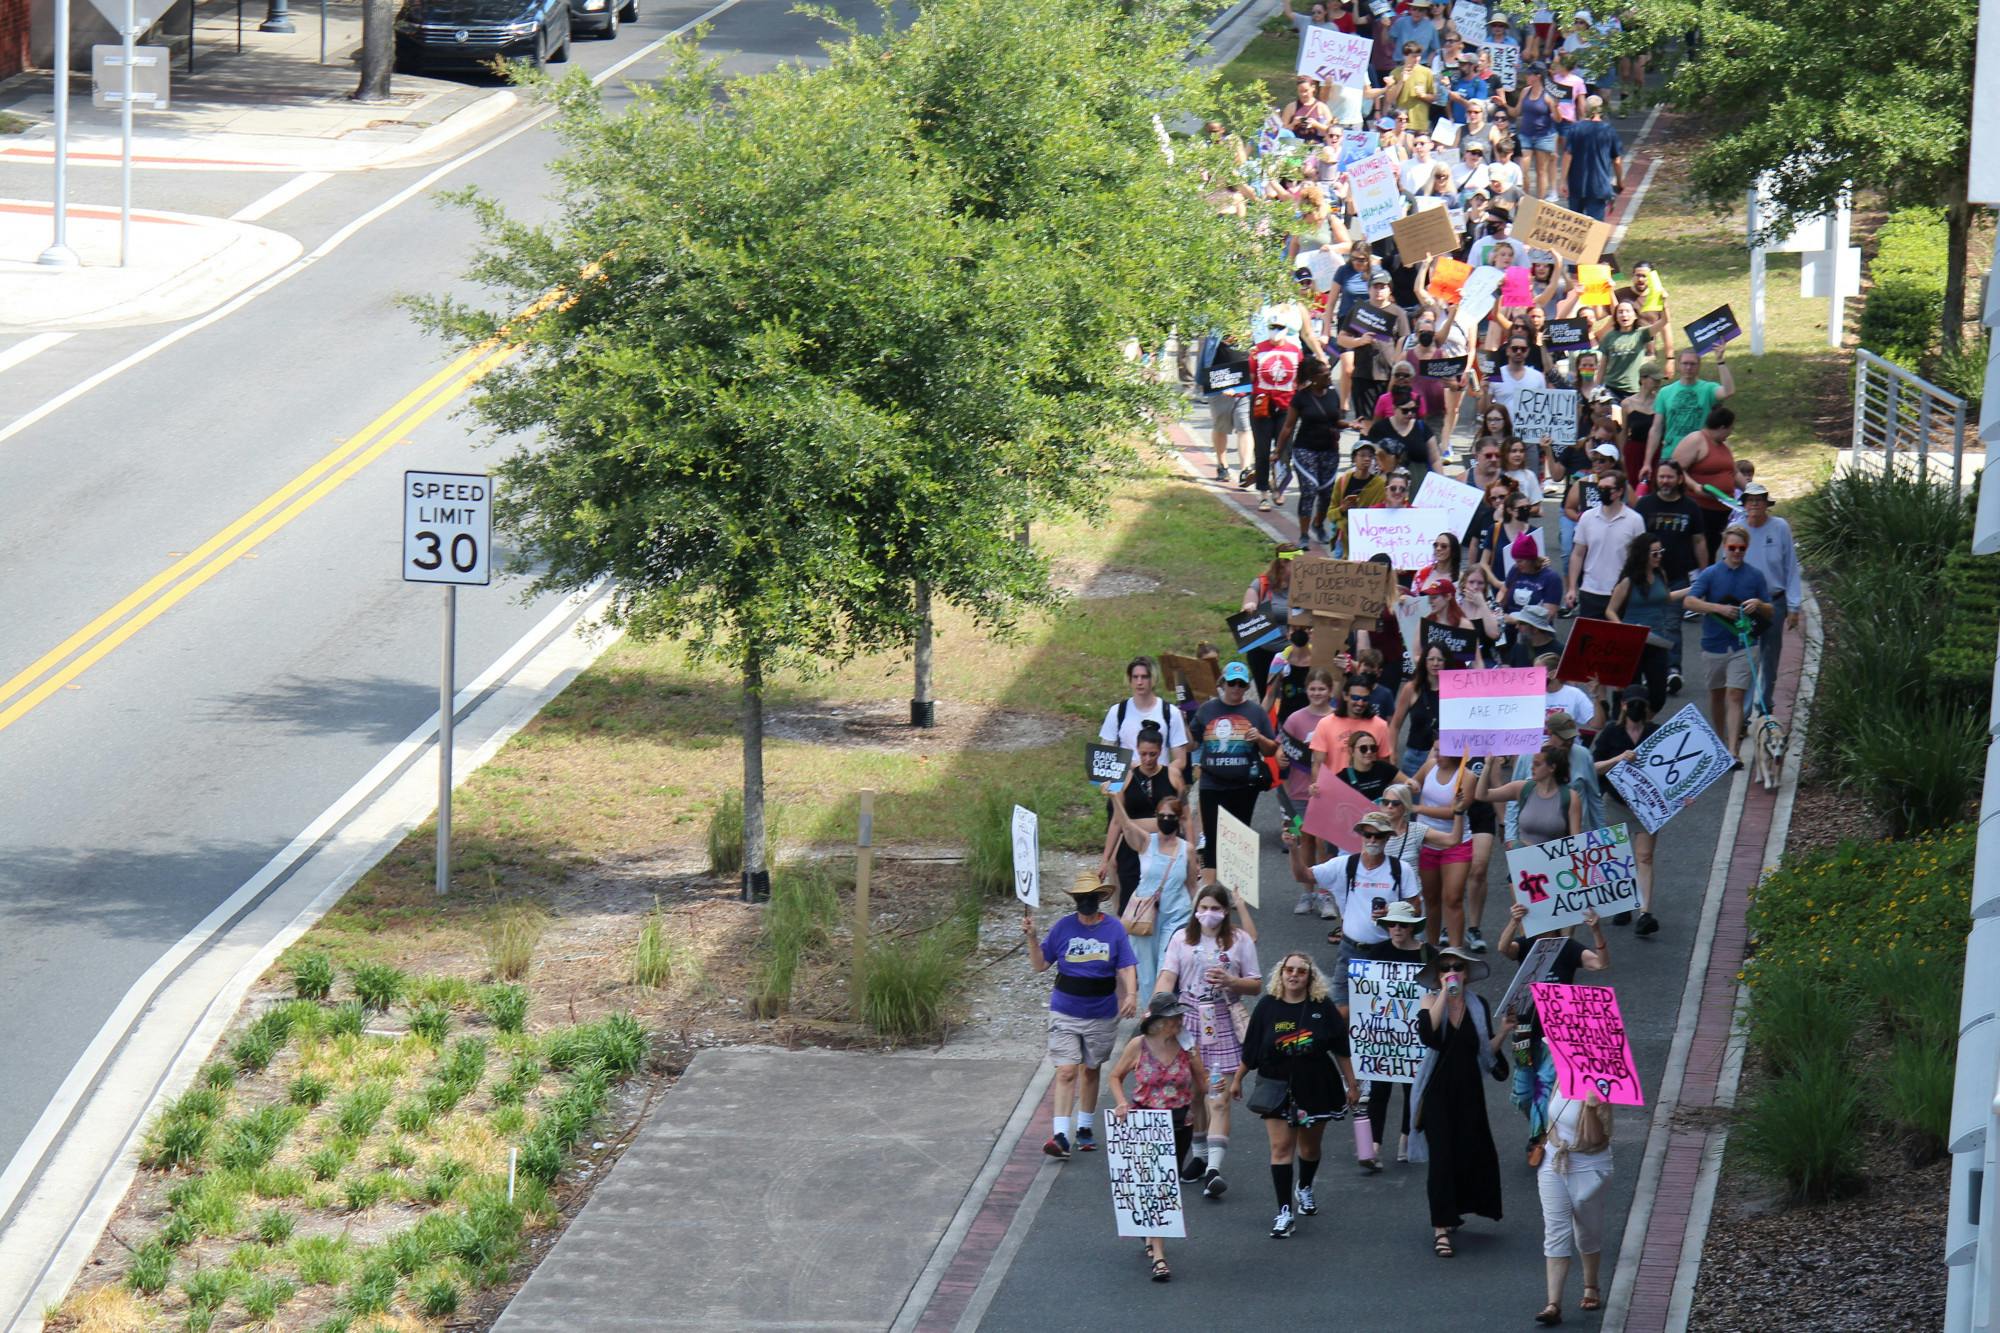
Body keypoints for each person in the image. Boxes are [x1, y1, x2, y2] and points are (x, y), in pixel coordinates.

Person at [1231, 953, 1361, 1238]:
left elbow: (1340, 1048)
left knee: (1309, 1149)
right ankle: (1284, 1212)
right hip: (1275, 1085)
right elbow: (1251, 1048)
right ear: (1280, 974)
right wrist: (1238, 1079)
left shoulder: (1321, 1007)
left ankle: (1305, 1187)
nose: (1294, 975)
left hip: (1315, 1086)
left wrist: (1352, 1085)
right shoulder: (1267, 1006)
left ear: (1309, 978)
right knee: (1280, 1149)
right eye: (1288, 970)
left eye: (1300, 972)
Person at [1157, 886, 1264, 1201]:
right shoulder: (1181, 939)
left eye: (1215, 907)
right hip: (1188, 1023)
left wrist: (1232, 981)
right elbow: (1167, 976)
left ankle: (1214, 1169)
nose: (1208, 913)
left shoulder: (1240, 940)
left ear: (1225, 910)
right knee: (1193, 1096)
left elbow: (1256, 983)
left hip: (1222, 1022)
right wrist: (1156, 1008)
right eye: (1203, 906)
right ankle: (1200, 1155)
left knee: (1218, 1097)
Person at [1025, 873, 1139, 1158]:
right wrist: (1032, 937)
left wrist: (1131, 995)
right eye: (1080, 898)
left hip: (1101, 1011)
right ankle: (1061, 1135)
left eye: (1091, 897)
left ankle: (1085, 1127)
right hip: (1065, 1010)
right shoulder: (1063, 927)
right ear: (1075, 901)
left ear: (1100, 898)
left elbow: (1126, 966)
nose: (1085, 903)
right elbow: (1040, 965)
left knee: (1090, 1068)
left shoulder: (1113, 929)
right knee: (1065, 1071)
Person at [1412, 945, 1505, 1257]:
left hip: (1468, 1090)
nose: (1452, 971)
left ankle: (1455, 1210)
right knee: (1441, 1158)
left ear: (1467, 974)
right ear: (1437, 975)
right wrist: (1443, 994)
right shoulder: (1428, 1000)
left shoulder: (1478, 1005)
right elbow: (1429, 1034)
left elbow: (1485, 1051)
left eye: (1457, 967)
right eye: (1444, 968)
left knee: (1469, 1151)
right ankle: (1440, 1227)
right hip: (1437, 1091)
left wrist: (1504, 1032)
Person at [1109, 994, 1207, 1282]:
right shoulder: (1138, 1046)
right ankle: (1160, 1257)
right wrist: (1121, 1102)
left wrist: (1213, 1082)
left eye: (1180, 1017)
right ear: (1158, 1022)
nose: (1179, 1022)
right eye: (1173, 1018)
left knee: (1168, 1183)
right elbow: (1115, 1076)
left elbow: (1203, 1084)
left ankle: (1151, 1232)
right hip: (1146, 1122)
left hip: (1179, 1123)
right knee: (1157, 1187)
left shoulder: (1187, 1045)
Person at [1674, 523, 1771, 756]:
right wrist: (1717, 608)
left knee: (1735, 694)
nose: (1737, 552)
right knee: (1717, 695)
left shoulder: (1755, 576)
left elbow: (1770, 610)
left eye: (1741, 548)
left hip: (1744, 644)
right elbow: (1689, 601)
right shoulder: (1711, 574)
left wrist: (1758, 604)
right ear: (1724, 548)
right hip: (1714, 644)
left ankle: (1732, 750)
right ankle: (1719, 740)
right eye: (1732, 547)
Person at [1316, 809, 1423, 1010]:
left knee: (1382, 1012)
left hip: (1387, 952)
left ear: (1387, 838)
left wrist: (1393, 913)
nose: (1373, 839)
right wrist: (1294, 848)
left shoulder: (1401, 869)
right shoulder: (1344, 864)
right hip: (1349, 950)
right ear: (1362, 836)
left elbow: (1416, 909)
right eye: (1368, 834)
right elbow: (1303, 876)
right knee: (1343, 1012)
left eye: (1379, 835)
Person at [1532, 1084, 1615, 1323]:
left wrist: (1593, 1107)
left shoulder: (1603, 1082)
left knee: (1587, 1230)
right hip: (1555, 1159)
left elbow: (1599, 1137)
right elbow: (1553, 1119)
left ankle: (1591, 1285)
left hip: (1591, 1164)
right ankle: (1553, 1304)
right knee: (1556, 1229)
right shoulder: (1562, 1076)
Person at [1193, 661, 1281, 885]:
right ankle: (1210, 890)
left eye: (1241, 684)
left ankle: (1235, 889)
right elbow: (1191, 742)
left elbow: (1271, 749)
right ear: (1223, 683)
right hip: (1211, 784)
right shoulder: (1207, 710)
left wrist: (1259, 738)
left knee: (1239, 838)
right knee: (1213, 838)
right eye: (1232, 683)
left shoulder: (1255, 712)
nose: (1236, 688)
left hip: (1244, 786)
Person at [1359, 898, 1429, 1171]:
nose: (1397, 929)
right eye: (1392, 924)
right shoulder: (1377, 952)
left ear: (1412, 928)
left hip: (1416, 1032)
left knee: (1413, 1088)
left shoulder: (1427, 954)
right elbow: (1365, 991)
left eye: (1402, 925)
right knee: (1379, 1089)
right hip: (1383, 1031)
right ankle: (1374, 1146)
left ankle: (1405, 1139)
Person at [1108, 785, 1196, 1003]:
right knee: (1146, 971)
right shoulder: (1146, 843)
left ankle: (1166, 1010)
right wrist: (1113, 797)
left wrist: (1197, 916)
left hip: (1176, 915)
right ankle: (1150, 1016)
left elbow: (1191, 885)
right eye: (1162, 816)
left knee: (1167, 966)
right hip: (1145, 915)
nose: (1166, 820)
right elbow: (1126, 825)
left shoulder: (1188, 850)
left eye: (1171, 816)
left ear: (1179, 819)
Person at [1633, 459, 1709, 693]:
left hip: (1678, 575)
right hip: (1647, 577)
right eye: (1661, 477)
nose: (1665, 481)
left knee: (1672, 624)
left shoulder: (1690, 507)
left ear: (1679, 479)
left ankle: (1673, 670)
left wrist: (1705, 575)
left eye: (1669, 477)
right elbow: (1636, 541)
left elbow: (1699, 541)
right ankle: (1649, 670)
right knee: (1648, 625)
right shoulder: (1645, 505)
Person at [1098, 721, 1186, 913]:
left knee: (1164, 899)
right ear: (1137, 750)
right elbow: (1116, 821)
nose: (1147, 759)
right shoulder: (1125, 778)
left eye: (1152, 754)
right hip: (1132, 846)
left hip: (1165, 844)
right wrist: (1105, 859)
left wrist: (1190, 850)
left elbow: (1184, 817)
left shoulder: (1172, 776)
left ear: (1160, 751)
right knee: (1130, 899)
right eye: (1143, 754)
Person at [1593, 687, 1661, 932]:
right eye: (1632, 704)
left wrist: (1681, 797)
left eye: (1640, 705)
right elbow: (1594, 766)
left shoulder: (1656, 734)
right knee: (1616, 856)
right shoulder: (1612, 732)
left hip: (1647, 807)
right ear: (1622, 706)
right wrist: (1618, 759)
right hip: (1616, 802)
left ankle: (1645, 913)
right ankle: (1622, 902)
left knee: (1645, 856)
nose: (1636, 710)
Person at [1735, 482, 1801, 717]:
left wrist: (1794, 606)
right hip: (1745, 605)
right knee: (1746, 659)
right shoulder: (1737, 529)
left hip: (1774, 602)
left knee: (1770, 657)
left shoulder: (1780, 527)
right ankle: (1742, 715)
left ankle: (1765, 705)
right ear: (1743, 504)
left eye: (1759, 500)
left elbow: (1791, 567)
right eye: (1750, 500)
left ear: (1766, 504)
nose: (1754, 504)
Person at [1278, 668, 1338, 907]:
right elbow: (1281, 745)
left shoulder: (1337, 718)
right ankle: (1307, 891)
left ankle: (1325, 893)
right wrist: (1281, 754)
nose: (1316, 693)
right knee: (1304, 839)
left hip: (1328, 793)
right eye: (1312, 689)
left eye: (1321, 689)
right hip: (1298, 792)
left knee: (1323, 842)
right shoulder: (1295, 719)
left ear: (1330, 691)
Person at [1411, 749, 1476, 947]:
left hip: (1457, 841)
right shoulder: (1429, 766)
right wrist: (1410, 786)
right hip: (1427, 840)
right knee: (1430, 898)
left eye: (1441, 751)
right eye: (1435, 749)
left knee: (1453, 898)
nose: (1436, 754)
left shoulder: (1467, 776)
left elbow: (1455, 811)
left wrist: (1419, 808)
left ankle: (1456, 952)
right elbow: (1413, 784)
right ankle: (1432, 947)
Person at [1606, 534, 1674, 717]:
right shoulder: (1629, 581)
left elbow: (1665, 598)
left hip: (1657, 641)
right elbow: (1610, 610)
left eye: (1661, 552)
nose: (1659, 556)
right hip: (1632, 643)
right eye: (1654, 553)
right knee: (1630, 692)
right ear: (1643, 554)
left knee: (1658, 695)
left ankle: (1642, 723)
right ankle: (1625, 726)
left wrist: (1695, 588)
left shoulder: (1661, 574)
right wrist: (1622, 627)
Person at [1565, 469, 1646, 621]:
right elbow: (1577, 554)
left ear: (1620, 491)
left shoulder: (1635, 520)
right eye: (1600, 488)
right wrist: (1571, 588)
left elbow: (1640, 558)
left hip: (1621, 592)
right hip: (1590, 590)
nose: (1602, 492)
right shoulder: (1587, 517)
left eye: (1607, 489)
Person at [1278, 357, 1346, 536]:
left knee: (1326, 492)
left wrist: (1350, 425)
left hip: (1329, 450)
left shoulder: (1333, 394)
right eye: (1325, 375)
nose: (1330, 378)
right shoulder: (1301, 398)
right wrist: (1278, 452)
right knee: (1309, 490)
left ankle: (1318, 524)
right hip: (1305, 449)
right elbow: (1288, 426)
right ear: (1314, 378)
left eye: (1330, 374)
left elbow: (1336, 420)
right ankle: (1304, 534)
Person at [1645, 346, 1734, 480]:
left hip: (1701, 455)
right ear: (1678, 365)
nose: (1688, 367)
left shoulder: (1708, 389)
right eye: (1685, 363)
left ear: (1699, 366)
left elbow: (1728, 391)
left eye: (1693, 364)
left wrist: (1720, 361)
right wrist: (1647, 462)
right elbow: (1656, 429)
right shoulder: (1665, 392)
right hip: (1671, 454)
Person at [1480, 739, 1581, 846]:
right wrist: (1487, 766)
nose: (1532, 767)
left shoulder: (1570, 797)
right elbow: (1482, 795)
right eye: (1532, 763)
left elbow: (1576, 841)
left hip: (1554, 861)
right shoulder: (1522, 788)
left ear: (1552, 768)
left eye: (1537, 764)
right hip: (1525, 860)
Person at [1099, 657, 1192, 773]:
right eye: (1135, 677)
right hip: (1126, 784)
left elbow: (1180, 760)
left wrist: (1161, 777)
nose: (1139, 682)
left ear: (1153, 679)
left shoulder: (1170, 712)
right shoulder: (1117, 712)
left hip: (1159, 785)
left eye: (1144, 677)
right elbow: (1105, 755)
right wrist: (1134, 768)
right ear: (1129, 679)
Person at [1671, 405, 1741, 555]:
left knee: (1713, 548)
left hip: (1722, 508)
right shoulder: (1696, 440)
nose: (1730, 433)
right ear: (1722, 427)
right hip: (1701, 507)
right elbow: (1676, 468)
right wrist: (1695, 486)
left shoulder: (1724, 445)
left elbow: (1734, 472)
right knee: (1700, 549)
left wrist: (1752, 490)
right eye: (1730, 429)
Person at [1310, 677, 1395, 795]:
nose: (1360, 703)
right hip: (1335, 790)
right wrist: (1318, 789)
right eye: (1355, 697)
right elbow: (1318, 765)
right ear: (1345, 696)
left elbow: (1385, 765)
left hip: (1369, 793)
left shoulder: (1380, 726)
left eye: (1365, 699)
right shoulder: (1326, 724)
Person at [1199, 330, 1254, 483]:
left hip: (1244, 381)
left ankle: (1246, 469)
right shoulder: (1217, 318)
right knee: (1220, 426)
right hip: (1219, 379)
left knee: (1245, 426)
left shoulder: (1254, 318)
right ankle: (1222, 466)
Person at [1241, 545, 1300, 689]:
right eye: (1297, 562)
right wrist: (1249, 607)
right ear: (1283, 563)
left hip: (1294, 655)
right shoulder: (1262, 584)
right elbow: (1246, 608)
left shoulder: (1304, 585)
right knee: (1266, 694)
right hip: (1263, 654)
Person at [1391, 644, 1455, 776]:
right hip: (1415, 756)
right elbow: (1395, 725)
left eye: (1440, 659)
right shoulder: (1411, 689)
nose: (1435, 663)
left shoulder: (1455, 689)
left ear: (1446, 662)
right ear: (1424, 662)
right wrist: (1393, 752)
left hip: (1446, 757)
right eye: (1431, 659)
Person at [1558, 94, 1622, 220]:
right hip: (1599, 185)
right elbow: (1617, 160)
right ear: (1601, 110)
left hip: (1576, 185)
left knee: (1574, 225)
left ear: (1585, 109)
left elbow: (1567, 155)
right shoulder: (1608, 130)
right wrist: (1619, 182)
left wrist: (1563, 181)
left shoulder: (1575, 128)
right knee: (1596, 227)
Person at [1330, 439, 1389, 553]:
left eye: (1370, 456)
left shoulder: (1379, 485)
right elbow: (1330, 514)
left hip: (1367, 539)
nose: (1366, 459)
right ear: (1353, 459)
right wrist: (1342, 509)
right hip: (1343, 540)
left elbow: (1380, 515)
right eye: (1362, 455)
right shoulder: (1342, 482)